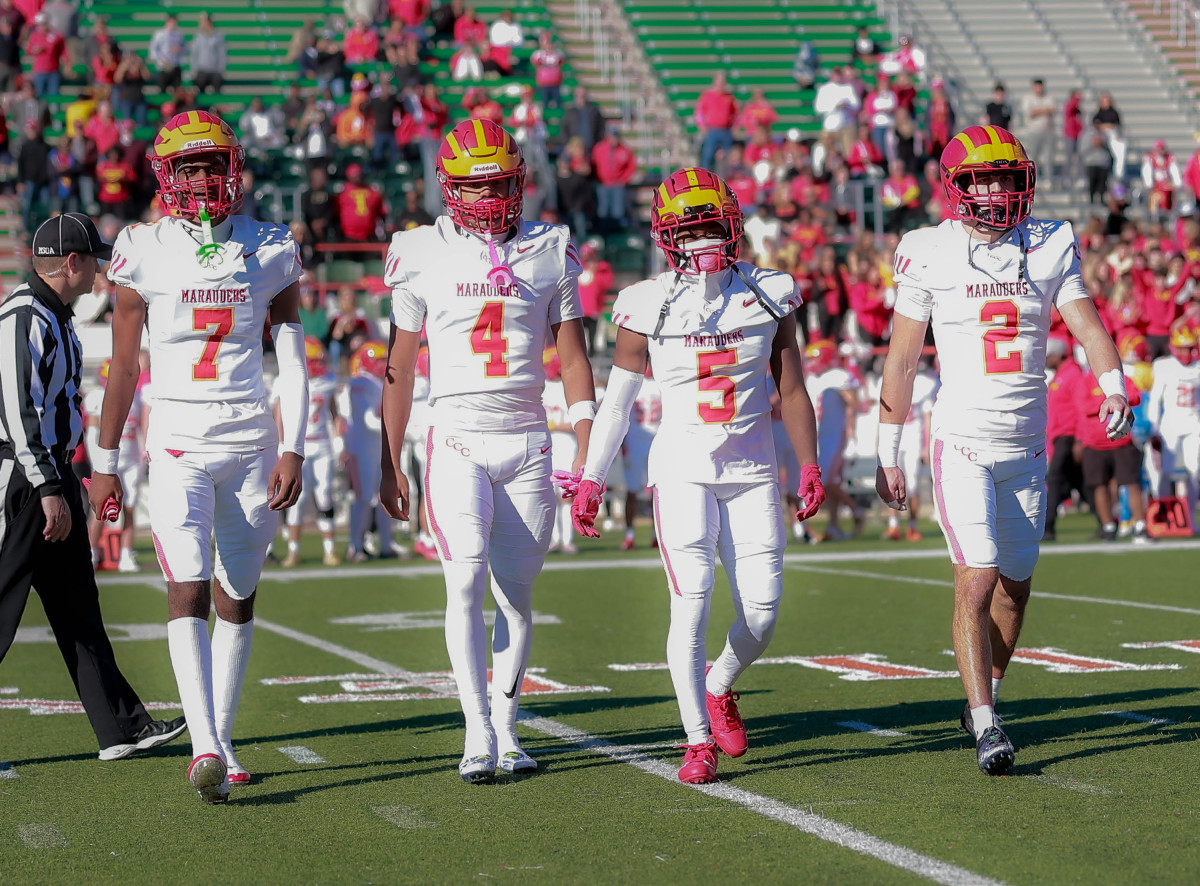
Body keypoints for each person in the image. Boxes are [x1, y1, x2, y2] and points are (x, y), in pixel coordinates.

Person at [875, 125, 1133, 776]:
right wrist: (888, 447)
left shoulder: (1048, 243)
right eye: (981, 179)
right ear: (956, 187)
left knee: (1014, 592)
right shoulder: (928, 250)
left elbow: (1088, 325)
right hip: (960, 437)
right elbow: (903, 359)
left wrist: (1113, 383)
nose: (995, 191)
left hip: (1027, 442)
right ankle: (988, 724)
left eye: (1004, 177)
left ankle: (981, 695)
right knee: (978, 575)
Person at [569, 168, 826, 784]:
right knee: (692, 605)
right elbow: (619, 401)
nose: (705, 239)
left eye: (713, 225)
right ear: (666, 236)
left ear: (733, 226)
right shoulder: (646, 302)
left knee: (762, 614)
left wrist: (810, 461)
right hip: (682, 469)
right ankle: (695, 739)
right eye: (691, 229)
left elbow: (791, 388)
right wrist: (593, 476)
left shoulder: (768, 292)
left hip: (753, 468)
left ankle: (720, 684)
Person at [90, 110, 307, 803]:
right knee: (184, 583)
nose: (204, 178)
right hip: (178, 438)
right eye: (190, 167)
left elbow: (294, 360)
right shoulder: (141, 248)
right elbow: (123, 370)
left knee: (237, 595)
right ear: (167, 176)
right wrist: (104, 459)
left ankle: (225, 733)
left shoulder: (271, 245)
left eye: (214, 165)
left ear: (233, 169)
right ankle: (204, 743)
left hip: (249, 439)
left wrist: (296, 446)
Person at [378, 119, 596, 783]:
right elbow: (401, 366)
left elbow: (573, 354)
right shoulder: (419, 250)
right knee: (464, 579)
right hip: (458, 438)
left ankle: (507, 726)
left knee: (516, 597)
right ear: (448, 189)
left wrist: (587, 448)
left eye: (499, 183)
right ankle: (476, 731)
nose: (489, 196)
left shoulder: (550, 248)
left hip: (530, 438)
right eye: (475, 186)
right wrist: (390, 459)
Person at [0, 214, 186, 762]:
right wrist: (48, 485)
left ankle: (122, 727)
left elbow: (59, 410)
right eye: (96, 262)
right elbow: (17, 410)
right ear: (73, 263)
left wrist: (73, 476)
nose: (103, 274)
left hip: (51, 472)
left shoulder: (55, 316)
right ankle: (123, 725)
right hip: (24, 478)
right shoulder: (22, 316)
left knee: (80, 609)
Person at [276, 337, 340, 567]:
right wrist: (283, 445)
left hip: (322, 443)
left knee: (325, 495)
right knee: (298, 498)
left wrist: (339, 439)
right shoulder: (287, 380)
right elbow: (279, 414)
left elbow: (335, 412)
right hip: (299, 446)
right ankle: (294, 551)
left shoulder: (327, 381)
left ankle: (329, 550)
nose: (319, 365)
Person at [84, 358, 143, 571]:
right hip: (109, 461)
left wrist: (142, 455)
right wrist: (99, 464)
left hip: (131, 460)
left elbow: (138, 429)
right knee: (100, 508)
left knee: (130, 507)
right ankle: (92, 552)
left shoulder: (136, 397)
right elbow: (92, 434)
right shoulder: (97, 397)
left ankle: (126, 554)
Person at [1145, 326, 1200, 528]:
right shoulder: (1164, 366)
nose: (1186, 353)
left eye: (1189, 348)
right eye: (1182, 348)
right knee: (1166, 472)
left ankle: (1190, 519)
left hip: (1194, 424)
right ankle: (1167, 518)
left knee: (1195, 471)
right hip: (1170, 425)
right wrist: (1153, 427)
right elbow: (1155, 399)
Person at [1020, 79, 1055, 181]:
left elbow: (1051, 110)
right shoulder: (1028, 98)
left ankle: (1048, 179)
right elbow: (1030, 112)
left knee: (1048, 157)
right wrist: (1044, 110)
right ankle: (1034, 180)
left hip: (1047, 130)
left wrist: (1037, 111)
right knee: (1033, 156)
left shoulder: (1049, 97)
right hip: (1034, 131)